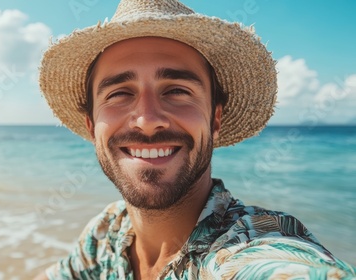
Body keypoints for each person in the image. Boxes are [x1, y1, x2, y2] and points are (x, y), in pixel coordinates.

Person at [35, 0, 356, 279]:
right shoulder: (108, 234)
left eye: (177, 91)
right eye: (119, 93)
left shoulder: (247, 249)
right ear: (92, 126)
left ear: (215, 118)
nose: (147, 120)